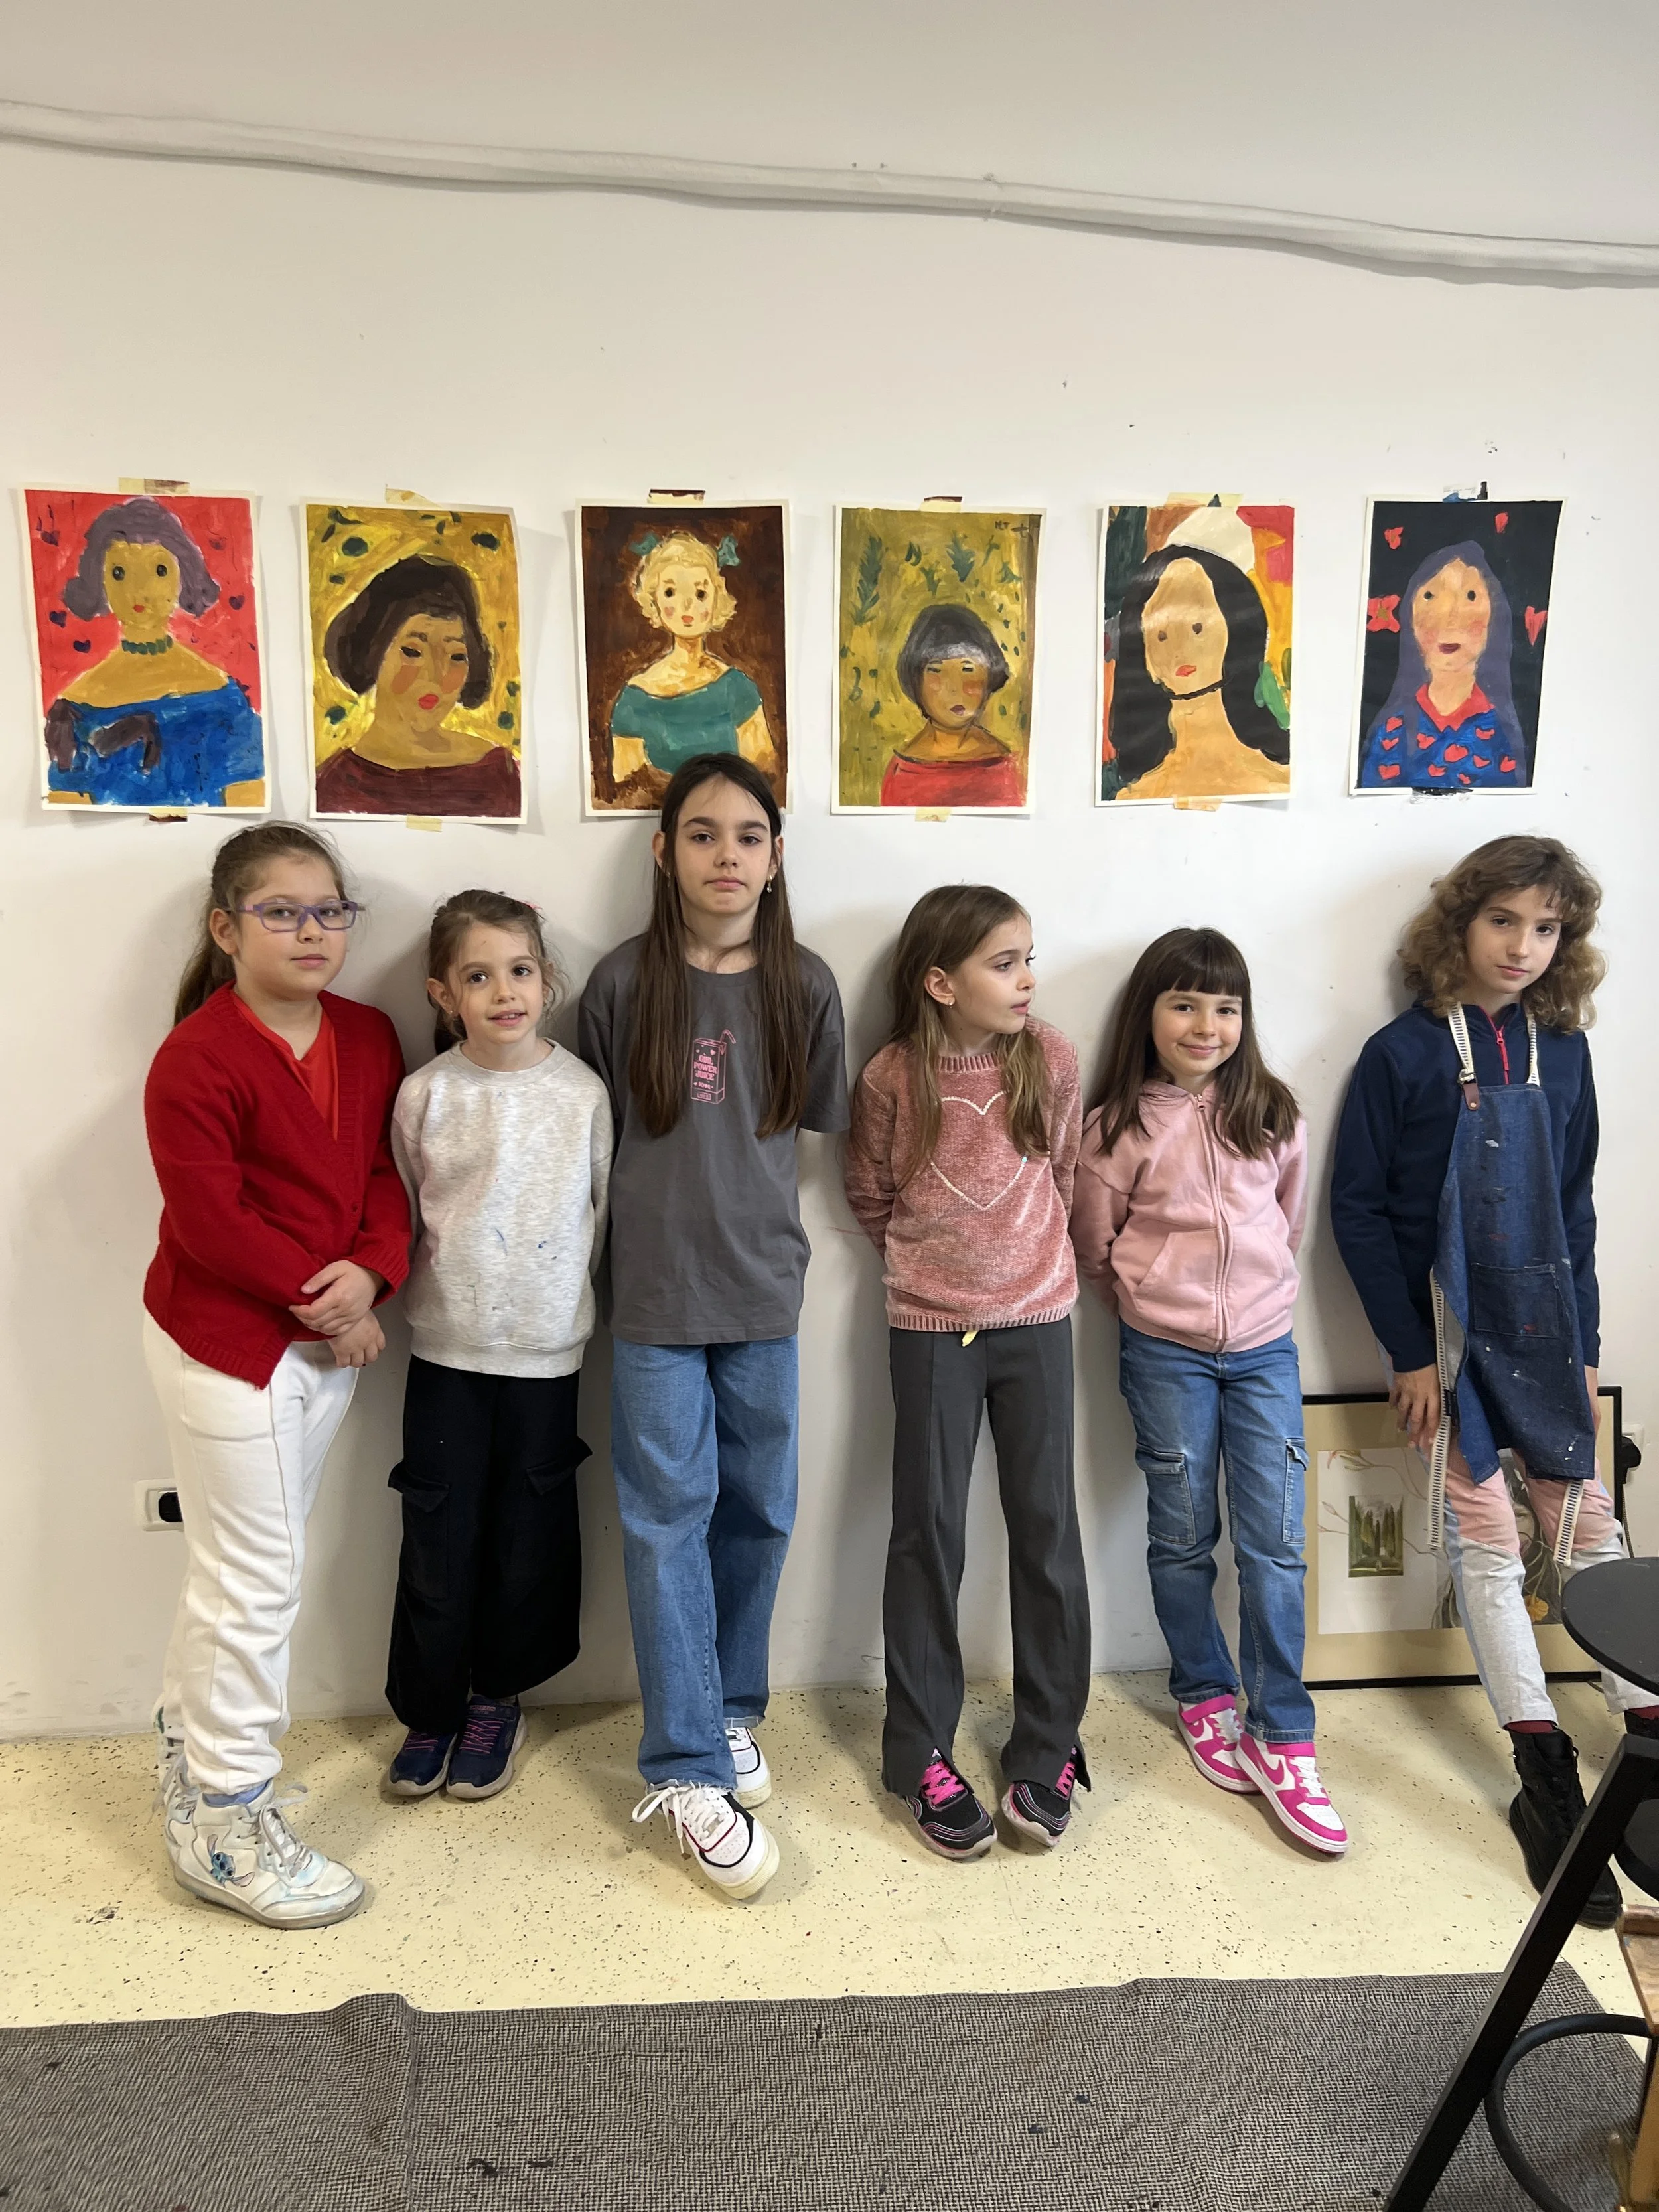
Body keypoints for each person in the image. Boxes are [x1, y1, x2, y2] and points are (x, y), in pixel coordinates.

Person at [1331, 836, 1656, 1925]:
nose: (1523, 946)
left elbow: (1575, 1204)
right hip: (1455, 1341)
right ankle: (1541, 1768)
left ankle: (1647, 1730)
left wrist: (1590, 1340)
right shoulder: (1403, 1053)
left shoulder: (1565, 1051)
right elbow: (1360, 1209)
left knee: (1590, 1527)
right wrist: (1409, 1353)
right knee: (1490, 1540)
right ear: (1459, 924)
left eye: (1546, 927)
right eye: (1503, 921)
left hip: (1550, 1328)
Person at [579, 751, 847, 1899]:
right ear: (663, 852)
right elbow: (586, 1134)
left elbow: (816, 1136)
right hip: (646, 1297)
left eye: (747, 834)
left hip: (762, 1294)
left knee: (761, 1510)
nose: (726, 854)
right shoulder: (620, 983)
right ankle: (687, 1763)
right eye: (701, 833)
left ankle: (735, 1705)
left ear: (777, 856)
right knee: (662, 1519)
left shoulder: (809, 985)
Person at [143, 823, 409, 1926]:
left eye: (331, 909)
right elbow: (210, 1224)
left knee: (237, 1566)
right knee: (260, 1580)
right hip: (228, 1343)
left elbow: (386, 1174)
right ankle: (226, 1819)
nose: (313, 929)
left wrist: (377, 1276)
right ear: (227, 927)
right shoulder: (196, 1058)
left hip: (324, 1338)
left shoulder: (368, 1031)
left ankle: (189, 1753)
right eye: (283, 910)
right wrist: (327, 1302)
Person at [1071, 928, 1347, 1856]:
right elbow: (1095, 1247)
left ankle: (1286, 1734)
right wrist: (1154, 1305)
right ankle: (1203, 1691)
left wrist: (1254, 1305)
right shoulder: (1116, 1128)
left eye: (1225, 1007)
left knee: (1274, 1544)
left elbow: (1290, 1220)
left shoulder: (1273, 1113)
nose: (1207, 1024)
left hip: (1267, 1353)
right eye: (1185, 1004)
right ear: (1148, 1013)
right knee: (1184, 1534)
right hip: (1165, 1355)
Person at [844, 887, 1090, 1858]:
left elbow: (1063, 1173)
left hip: (1040, 1322)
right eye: (1004, 963)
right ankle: (919, 1752)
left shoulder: (1053, 1058)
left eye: (1030, 956)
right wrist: (935, 1275)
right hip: (931, 1330)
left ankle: (1050, 1742)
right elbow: (870, 1190)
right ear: (940, 982)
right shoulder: (893, 1076)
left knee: (1047, 1533)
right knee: (927, 1535)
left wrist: (1024, 1268)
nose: (1027, 979)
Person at [383, 891, 612, 1801]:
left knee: (528, 1535)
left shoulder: (582, 1092)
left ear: (546, 979)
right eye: (478, 975)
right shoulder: (427, 1094)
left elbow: (601, 1215)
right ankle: (430, 1706)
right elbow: (406, 1209)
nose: (504, 991)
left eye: (519, 970)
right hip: (446, 1351)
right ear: (445, 993)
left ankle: (495, 1699)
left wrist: (563, 1304)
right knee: (438, 1533)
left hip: (549, 1354)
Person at [43, 495, 264, 810]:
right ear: (99, 583)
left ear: (183, 576)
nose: (139, 589)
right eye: (119, 573)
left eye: (159, 570)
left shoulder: (220, 694)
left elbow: (248, 796)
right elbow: (66, 807)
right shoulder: (76, 705)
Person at [314, 555, 520, 818]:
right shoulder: (333, 786)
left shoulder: (499, 773)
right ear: (373, 654)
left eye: (457, 656)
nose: (435, 677)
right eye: (412, 652)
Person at [1103, 544, 1289, 802]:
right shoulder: (1130, 796)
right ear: (1144, 657)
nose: (1180, 651)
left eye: (1198, 627)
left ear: (1235, 632)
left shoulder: (1281, 782)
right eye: (1161, 635)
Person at [609, 532, 780, 800]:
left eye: (700, 593)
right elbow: (628, 788)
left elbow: (763, 773)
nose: (686, 605)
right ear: (654, 601)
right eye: (670, 592)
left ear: (716, 601)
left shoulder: (737, 688)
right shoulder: (634, 699)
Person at [1356, 541, 1528, 790]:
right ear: (1411, 616)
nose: (1450, 618)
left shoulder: (1501, 732)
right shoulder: (1392, 729)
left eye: (1471, 596)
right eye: (1430, 596)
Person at [879, 603, 1025, 808]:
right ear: (915, 681)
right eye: (936, 670)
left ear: (990, 676)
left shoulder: (1007, 768)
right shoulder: (902, 771)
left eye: (967, 668)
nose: (954, 689)